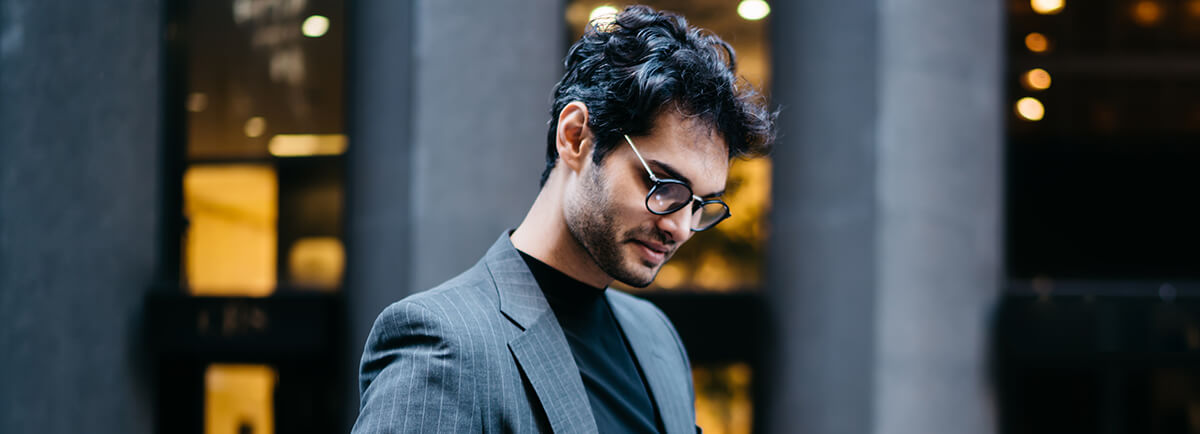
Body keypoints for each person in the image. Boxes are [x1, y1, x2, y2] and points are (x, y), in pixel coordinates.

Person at [352, 5, 775, 433]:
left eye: (700, 204)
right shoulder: (443, 343)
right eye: (663, 185)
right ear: (575, 136)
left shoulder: (657, 338)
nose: (680, 227)